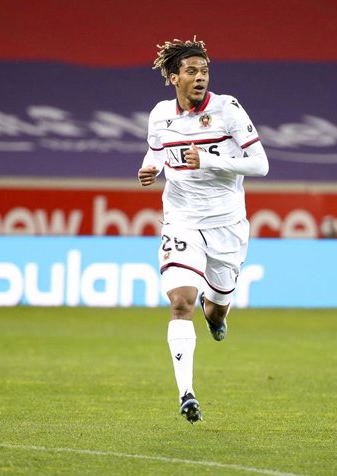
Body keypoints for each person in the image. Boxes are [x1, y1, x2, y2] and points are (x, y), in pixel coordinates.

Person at [137, 37, 269, 423]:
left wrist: (210, 159)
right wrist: (152, 169)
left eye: (205, 71)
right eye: (192, 71)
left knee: (214, 308)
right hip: (181, 220)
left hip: (227, 224)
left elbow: (260, 164)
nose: (200, 78)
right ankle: (187, 393)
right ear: (173, 77)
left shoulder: (228, 109)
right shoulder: (160, 114)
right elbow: (157, 152)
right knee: (181, 302)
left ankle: (217, 317)